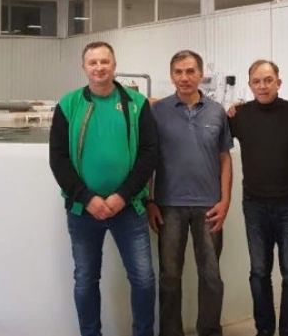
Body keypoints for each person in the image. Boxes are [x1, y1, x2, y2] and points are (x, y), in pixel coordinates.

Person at [48, 41, 159, 336]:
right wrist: (86, 198)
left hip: (129, 207)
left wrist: (123, 195)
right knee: (86, 280)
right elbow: (58, 158)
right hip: (83, 210)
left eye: (105, 61)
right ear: (84, 67)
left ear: (114, 65)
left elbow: (149, 153)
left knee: (144, 279)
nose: (99, 68)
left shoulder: (136, 104)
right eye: (93, 62)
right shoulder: (68, 105)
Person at [147, 49, 234, 336]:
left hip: (209, 206)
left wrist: (225, 201)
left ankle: (209, 330)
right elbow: (148, 159)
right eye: (178, 72)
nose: (184, 77)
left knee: (211, 276)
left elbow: (225, 159)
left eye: (190, 71)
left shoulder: (216, 111)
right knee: (170, 276)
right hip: (168, 205)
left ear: (200, 75)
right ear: (172, 76)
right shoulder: (157, 111)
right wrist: (149, 200)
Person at [227, 60, 288, 336]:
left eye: (268, 80)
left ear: (278, 82)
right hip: (255, 206)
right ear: (250, 85)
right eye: (257, 81)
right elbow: (212, 138)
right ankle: (264, 330)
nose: (262, 86)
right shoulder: (239, 116)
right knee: (259, 273)